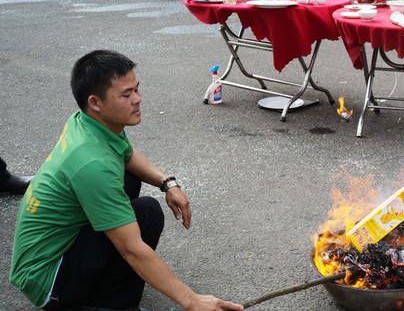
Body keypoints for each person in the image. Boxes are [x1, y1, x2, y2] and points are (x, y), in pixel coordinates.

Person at [10, 50, 243, 311]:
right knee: (142, 221)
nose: (138, 99)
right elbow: (131, 248)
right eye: (126, 94)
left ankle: (110, 296)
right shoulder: (92, 163)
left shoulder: (88, 123)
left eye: (137, 89)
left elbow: (128, 156)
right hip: (46, 279)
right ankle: (108, 305)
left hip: (57, 244)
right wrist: (192, 300)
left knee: (137, 194)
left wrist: (168, 183)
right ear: (95, 102)